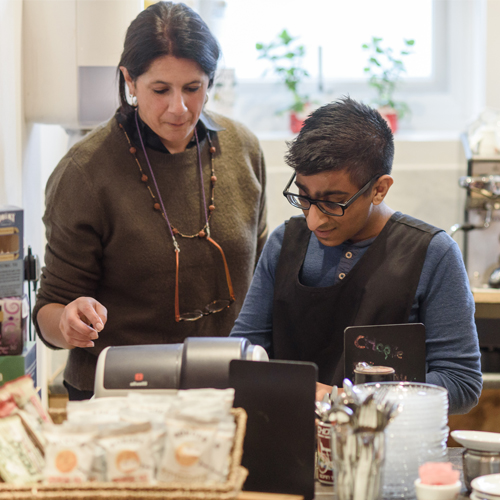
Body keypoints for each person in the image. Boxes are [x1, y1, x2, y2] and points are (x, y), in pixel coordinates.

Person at [33, 1, 268, 400]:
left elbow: (262, 276)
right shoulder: (85, 172)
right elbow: (49, 312)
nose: (179, 108)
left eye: (193, 88)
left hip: (227, 386)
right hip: (119, 396)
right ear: (129, 80)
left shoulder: (242, 148)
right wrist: (69, 321)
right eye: (160, 90)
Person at [231, 97, 482, 415]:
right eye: (304, 198)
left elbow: (461, 383)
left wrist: (345, 399)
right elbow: (241, 353)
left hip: (389, 449)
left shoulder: (432, 253)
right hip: (289, 444)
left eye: (334, 202)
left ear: (380, 189)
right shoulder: (285, 243)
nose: (314, 220)